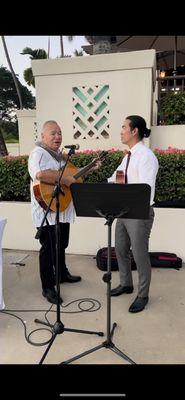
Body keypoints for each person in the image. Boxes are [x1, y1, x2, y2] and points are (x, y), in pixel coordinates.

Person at [28, 120, 100, 305]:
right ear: (43, 136)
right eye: (53, 133)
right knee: (49, 250)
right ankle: (48, 287)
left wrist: (90, 168)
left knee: (62, 244)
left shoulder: (60, 156)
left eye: (60, 133)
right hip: (47, 207)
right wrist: (65, 179)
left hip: (62, 207)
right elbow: (40, 174)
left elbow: (71, 178)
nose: (58, 137)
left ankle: (61, 274)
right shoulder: (38, 153)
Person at [109, 115, 159, 313]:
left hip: (139, 212)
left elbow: (144, 188)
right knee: (120, 248)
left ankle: (142, 294)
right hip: (124, 211)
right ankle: (126, 283)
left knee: (139, 255)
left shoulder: (146, 156)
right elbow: (115, 178)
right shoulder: (127, 156)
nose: (121, 131)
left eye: (123, 127)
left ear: (134, 131)